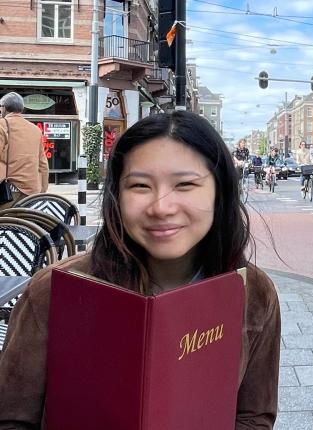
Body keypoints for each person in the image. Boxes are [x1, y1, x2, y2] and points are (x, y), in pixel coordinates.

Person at [0, 112, 281, 428]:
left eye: (185, 184)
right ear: (116, 196)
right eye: (139, 185)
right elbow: (12, 418)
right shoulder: (53, 291)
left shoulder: (254, 293)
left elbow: (253, 416)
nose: (161, 207)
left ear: (220, 192)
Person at [0, 92, 49, 210]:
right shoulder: (35, 129)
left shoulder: (2, 125)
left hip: (7, 191)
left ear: (4, 108)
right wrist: (42, 190)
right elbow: (43, 164)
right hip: (31, 193)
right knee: (24, 226)